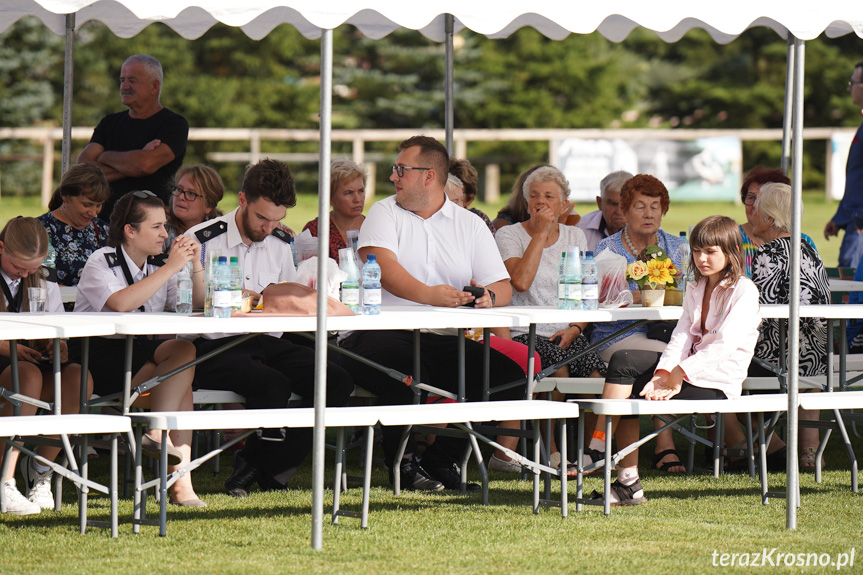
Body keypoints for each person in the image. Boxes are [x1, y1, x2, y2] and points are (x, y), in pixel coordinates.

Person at [339, 136, 528, 491]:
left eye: (400, 170)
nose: (393, 177)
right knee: (411, 372)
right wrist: (431, 296)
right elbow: (382, 266)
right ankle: (403, 466)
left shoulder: (469, 224)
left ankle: (441, 460)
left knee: (507, 377)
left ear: (429, 176)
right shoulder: (384, 212)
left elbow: (503, 286)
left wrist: (487, 296)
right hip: (378, 334)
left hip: (442, 337)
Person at [184, 159, 353, 497]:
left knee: (336, 379)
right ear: (242, 199)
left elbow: (283, 300)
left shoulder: (279, 242)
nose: (268, 226)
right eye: (262, 217)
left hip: (266, 339)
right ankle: (260, 470)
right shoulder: (202, 239)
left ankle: (264, 466)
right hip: (214, 343)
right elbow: (184, 304)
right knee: (272, 384)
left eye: (277, 219)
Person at [587, 215, 760, 506]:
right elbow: (680, 336)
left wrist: (678, 374)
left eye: (710, 252)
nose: (701, 259)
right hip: (687, 373)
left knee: (626, 381)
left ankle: (609, 465)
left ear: (730, 254)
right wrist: (663, 371)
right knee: (624, 361)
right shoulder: (696, 287)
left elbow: (724, 346)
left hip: (717, 382)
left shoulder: (744, 290)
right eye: (697, 251)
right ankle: (610, 461)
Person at [73, 191, 204, 506]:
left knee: (184, 353)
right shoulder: (101, 260)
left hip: (139, 358)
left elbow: (197, 305)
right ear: (130, 231)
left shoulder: (158, 265)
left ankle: (159, 437)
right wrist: (171, 268)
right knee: (182, 382)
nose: (165, 234)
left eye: (165, 226)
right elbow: (121, 304)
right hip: (96, 360)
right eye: (157, 227)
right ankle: (179, 484)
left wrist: (195, 264)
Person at [494, 165, 606, 473]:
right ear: (526, 202)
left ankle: (590, 451)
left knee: (598, 375)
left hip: (567, 329)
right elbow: (520, 281)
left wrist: (575, 328)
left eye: (549, 196)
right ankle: (553, 450)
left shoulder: (575, 235)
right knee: (559, 368)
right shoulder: (509, 235)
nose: (541, 202)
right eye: (534, 196)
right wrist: (540, 233)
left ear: (564, 204)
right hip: (525, 331)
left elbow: (585, 294)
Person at [590, 174, 689, 473]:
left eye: (655, 206)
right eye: (640, 206)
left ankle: (602, 448)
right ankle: (663, 447)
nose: (649, 214)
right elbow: (603, 297)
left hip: (669, 333)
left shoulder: (677, 247)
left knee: (664, 352)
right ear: (624, 210)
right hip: (616, 334)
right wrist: (644, 294)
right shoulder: (607, 249)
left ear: (664, 210)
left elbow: (689, 293)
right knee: (667, 356)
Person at [0, 217, 93, 516]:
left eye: (33, 268)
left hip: (30, 362)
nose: (27, 274)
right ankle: (5, 479)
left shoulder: (44, 280)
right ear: (1, 248)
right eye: (19, 268)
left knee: (79, 378)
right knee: (26, 376)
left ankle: (42, 469)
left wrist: (57, 345)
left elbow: (55, 328)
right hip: (9, 364)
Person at [746, 182, 829, 470]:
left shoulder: (769, 251)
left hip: (780, 359)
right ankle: (790, 448)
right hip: (816, 360)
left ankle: (763, 449)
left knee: (717, 367)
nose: (751, 216)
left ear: (770, 219)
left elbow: (759, 312)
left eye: (756, 210)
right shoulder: (808, 247)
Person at [77, 54, 188, 221]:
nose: (124, 86)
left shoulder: (173, 124)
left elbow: (145, 164)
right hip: (104, 223)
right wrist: (134, 164)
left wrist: (104, 156)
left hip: (151, 226)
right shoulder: (109, 122)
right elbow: (83, 170)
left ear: (154, 86)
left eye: (132, 80)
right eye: (122, 80)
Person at [37, 164, 111, 286]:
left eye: (98, 205)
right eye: (87, 205)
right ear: (66, 196)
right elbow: (41, 282)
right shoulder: (41, 231)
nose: (93, 212)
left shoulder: (104, 230)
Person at [738, 166, 816, 277]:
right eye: (751, 197)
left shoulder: (803, 242)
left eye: (763, 201)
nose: (756, 206)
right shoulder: (729, 238)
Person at [824, 62, 863, 267]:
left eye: (853, 83)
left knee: (854, 293)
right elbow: (858, 180)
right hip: (855, 222)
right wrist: (840, 218)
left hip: (860, 225)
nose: (849, 88)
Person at [301, 159, 366, 263]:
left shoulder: (373, 227)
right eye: (349, 193)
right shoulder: (315, 230)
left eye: (361, 191)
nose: (357, 199)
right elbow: (307, 272)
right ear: (330, 198)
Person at [164, 164, 224, 249]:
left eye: (191, 193)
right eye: (179, 189)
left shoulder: (221, 231)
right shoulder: (160, 225)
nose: (181, 197)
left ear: (209, 205)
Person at [577, 170, 631, 251]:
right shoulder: (579, 230)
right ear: (599, 203)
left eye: (625, 204)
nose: (619, 211)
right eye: (613, 203)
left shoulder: (648, 232)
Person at [449, 157, 496, 235]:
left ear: (469, 199)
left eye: (456, 198)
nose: (446, 199)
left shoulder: (478, 221)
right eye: (443, 192)